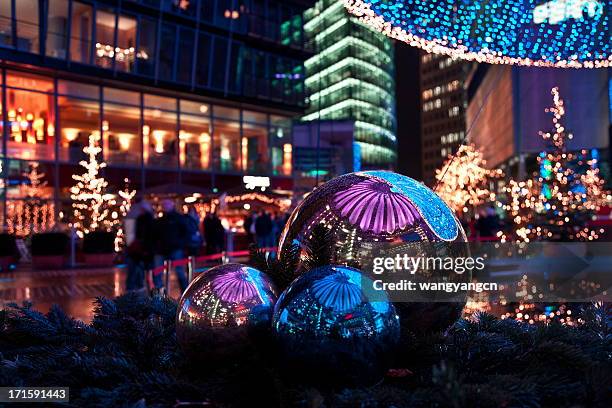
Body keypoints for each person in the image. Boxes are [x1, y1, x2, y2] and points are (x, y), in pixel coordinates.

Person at [152, 199, 189, 291]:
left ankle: (185, 293)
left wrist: (180, 243)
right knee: (158, 273)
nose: (165, 206)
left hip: (174, 248)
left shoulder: (177, 218)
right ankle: (159, 295)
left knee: (179, 272)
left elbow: (185, 232)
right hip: (163, 249)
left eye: (167, 205)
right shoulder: (161, 219)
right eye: (164, 205)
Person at [125, 201, 155, 292]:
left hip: (138, 247)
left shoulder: (139, 218)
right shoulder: (148, 219)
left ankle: (134, 286)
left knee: (135, 268)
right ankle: (139, 285)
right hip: (141, 248)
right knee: (139, 268)